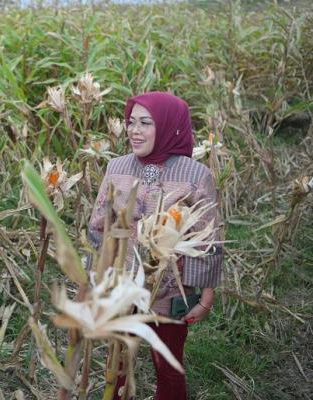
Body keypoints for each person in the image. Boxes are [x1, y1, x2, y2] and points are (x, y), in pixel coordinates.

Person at [88, 91, 223, 400]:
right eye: (131, 122)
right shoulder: (117, 167)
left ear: (168, 126)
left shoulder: (195, 175)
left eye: (146, 123)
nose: (135, 131)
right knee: (117, 358)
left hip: (170, 288)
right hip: (121, 283)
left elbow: (207, 237)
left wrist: (205, 296)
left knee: (168, 361)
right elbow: (99, 226)